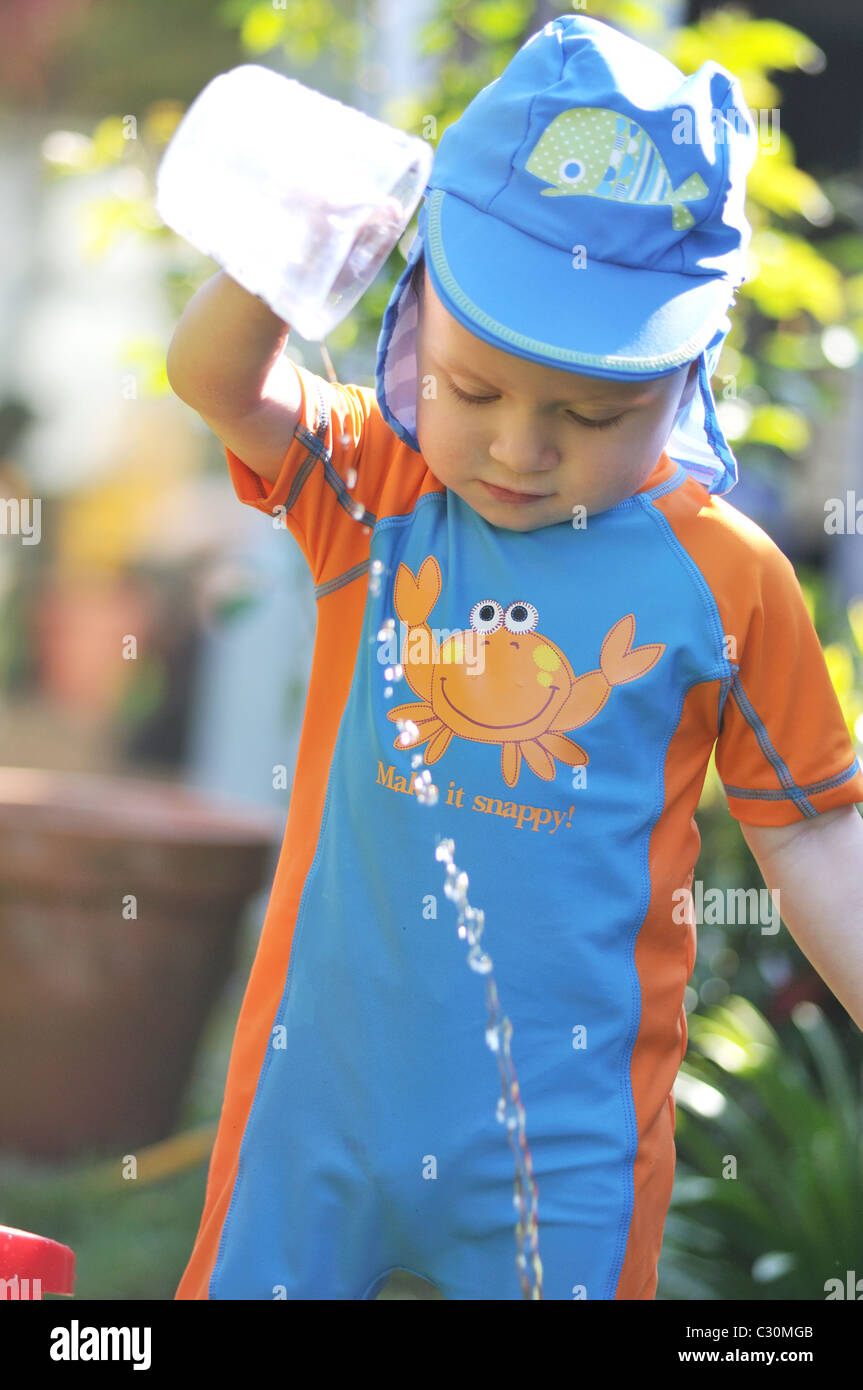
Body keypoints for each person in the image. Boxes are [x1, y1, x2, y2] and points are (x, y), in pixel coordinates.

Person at [167, 15, 863, 1300]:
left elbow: (814, 830)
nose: (517, 448)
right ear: (416, 315)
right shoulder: (378, 491)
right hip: (315, 1098)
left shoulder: (724, 579)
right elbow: (216, 382)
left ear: (686, 372)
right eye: (473, 388)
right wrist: (308, 240)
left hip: (565, 1150)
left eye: (591, 413)